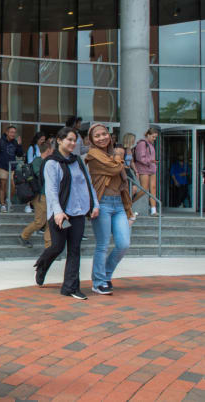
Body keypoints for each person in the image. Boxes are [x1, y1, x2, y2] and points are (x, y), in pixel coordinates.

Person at [33, 128, 99, 300]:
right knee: (57, 247)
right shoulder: (51, 163)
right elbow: (52, 190)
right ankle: (42, 265)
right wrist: (58, 212)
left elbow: (88, 184)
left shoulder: (77, 161)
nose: (72, 143)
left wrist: (94, 204)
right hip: (60, 213)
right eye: (69, 139)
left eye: (74, 140)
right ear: (60, 141)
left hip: (78, 211)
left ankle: (70, 287)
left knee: (75, 249)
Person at [85, 123, 133, 295]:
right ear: (91, 140)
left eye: (104, 134)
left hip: (119, 204)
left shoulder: (111, 154)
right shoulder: (92, 154)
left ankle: (105, 275)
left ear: (109, 135)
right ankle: (98, 282)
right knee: (102, 245)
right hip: (102, 203)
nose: (101, 138)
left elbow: (122, 180)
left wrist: (128, 209)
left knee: (123, 244)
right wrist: (120, 156)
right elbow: (115, 168)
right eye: (96, 136)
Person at [19, 141, 53, 248]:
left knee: (49, 223)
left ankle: (49, 247)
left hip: (47, 196)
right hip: (40, 196)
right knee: (40, 222)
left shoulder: (44, 161)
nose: (53, 152)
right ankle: (24, 236)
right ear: (48, 150)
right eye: (52, 150)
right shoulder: (38, 161)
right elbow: (41, 176)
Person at [0, 125, 23, 213]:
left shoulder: (15, 143)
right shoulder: (0, 142)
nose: (13, 134)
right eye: (11, 132)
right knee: (3, 186)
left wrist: (19, 145)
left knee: (13, 187)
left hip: (11, 168)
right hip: (2, 167)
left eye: (14, 132)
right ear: (7, 132)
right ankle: (3, 204)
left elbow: (19, 154)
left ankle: (8, 200)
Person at [133, 128, 159, 216]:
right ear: (148, 135)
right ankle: (128, 202)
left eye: (155, 137)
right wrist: (150, 161)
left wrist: (152, 162)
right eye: (153, 137)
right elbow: (140, 157)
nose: (154, 139)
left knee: (153, 188)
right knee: (144, 189)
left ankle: (153, 210)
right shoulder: (142, 143)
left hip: (151, 168)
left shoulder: (150, 144)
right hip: (143, 169)